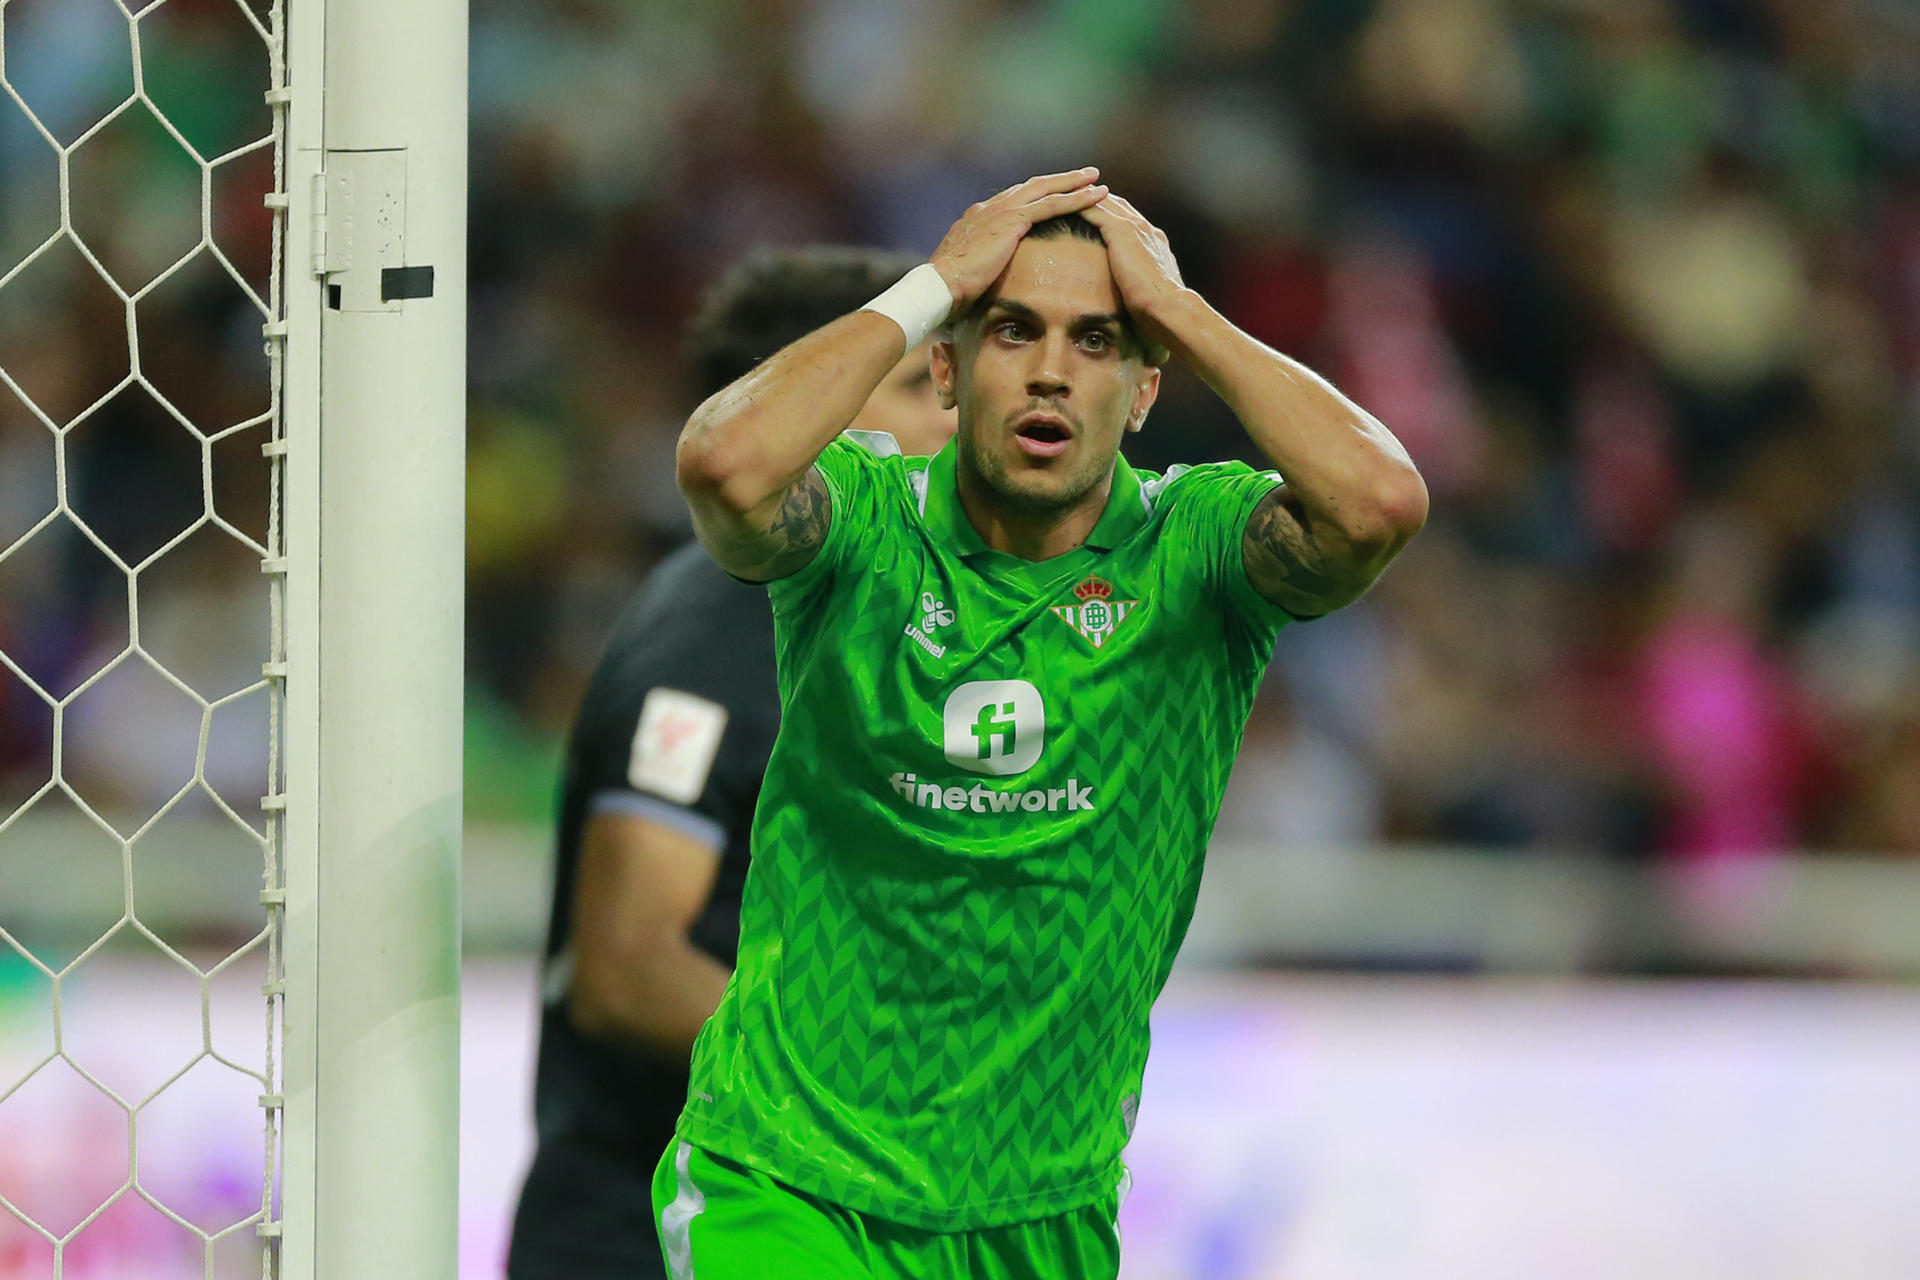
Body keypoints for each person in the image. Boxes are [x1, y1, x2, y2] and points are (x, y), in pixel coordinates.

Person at [657, 168, 1428, 1278]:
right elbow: (724, 467)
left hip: (1041, 1208)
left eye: (1100, 340)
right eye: (1012, 330)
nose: (1053, 372)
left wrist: (1182, 311)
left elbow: (1380, 502)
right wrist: (935, 281)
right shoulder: (862, 524)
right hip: (790, 1172)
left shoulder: (1197, 550)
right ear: (949, 368)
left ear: (1147, 384)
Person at [505, 246, 957, 1280]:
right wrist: (893, 1075)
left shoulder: (860, 607)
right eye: (912, 387)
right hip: (643, 1233)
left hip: (791, 1219)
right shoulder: (717, 626)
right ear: (794, 412)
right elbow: (626, 965)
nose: (954, 420)